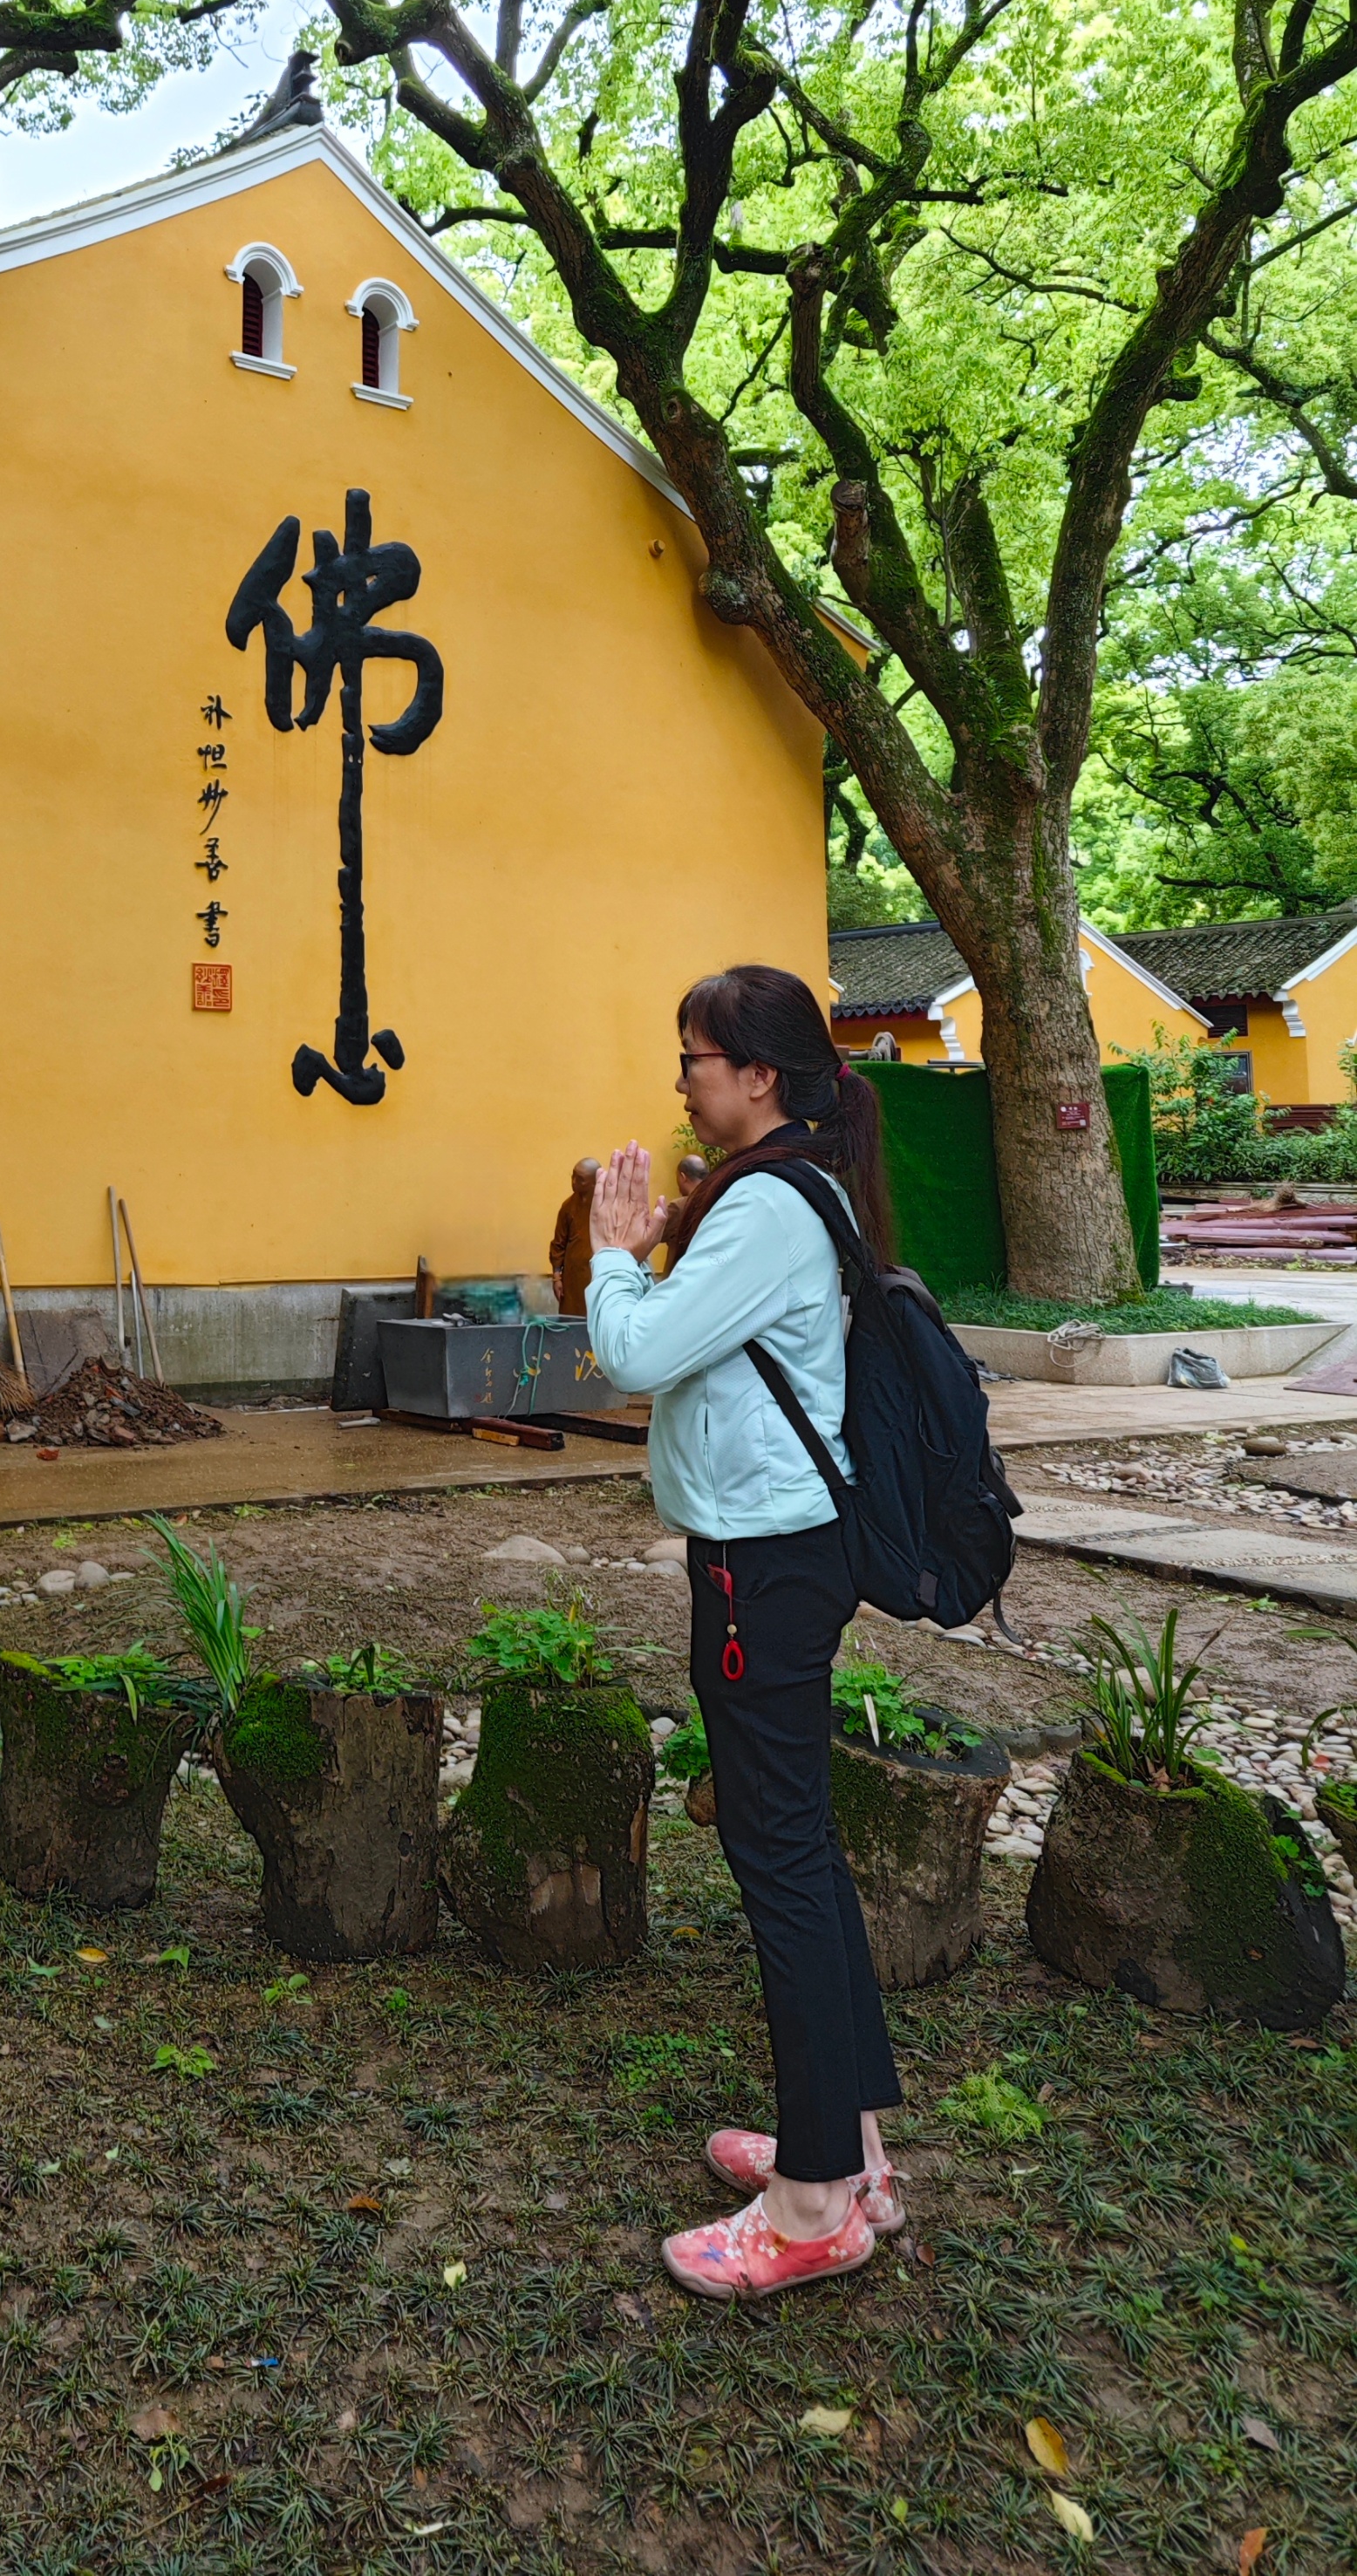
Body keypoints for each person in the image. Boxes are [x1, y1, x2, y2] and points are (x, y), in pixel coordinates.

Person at [583, 964, 903, 2298]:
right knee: (801, 1852)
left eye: (696, 1057)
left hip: (760, 1573)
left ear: (759, 1076)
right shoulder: (785, 1190)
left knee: (779, 1862)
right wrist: (669, 1241)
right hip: (779, 1554)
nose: (682, 1080)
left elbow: (638, 1355)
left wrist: (612, 1252)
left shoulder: (770, 1201)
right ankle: (854, 2150)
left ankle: (816, 2202)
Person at [547, 1156, 599, 1316]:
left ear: (595, 1182)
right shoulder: (568, 1207)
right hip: (572, 1281)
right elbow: (558, 1244)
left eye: (581, 1179)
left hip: (598, 1277)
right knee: (571, 1324)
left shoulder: (608, 1207)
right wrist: (557, 1277)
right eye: (573, 1176)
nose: (574, 1181)